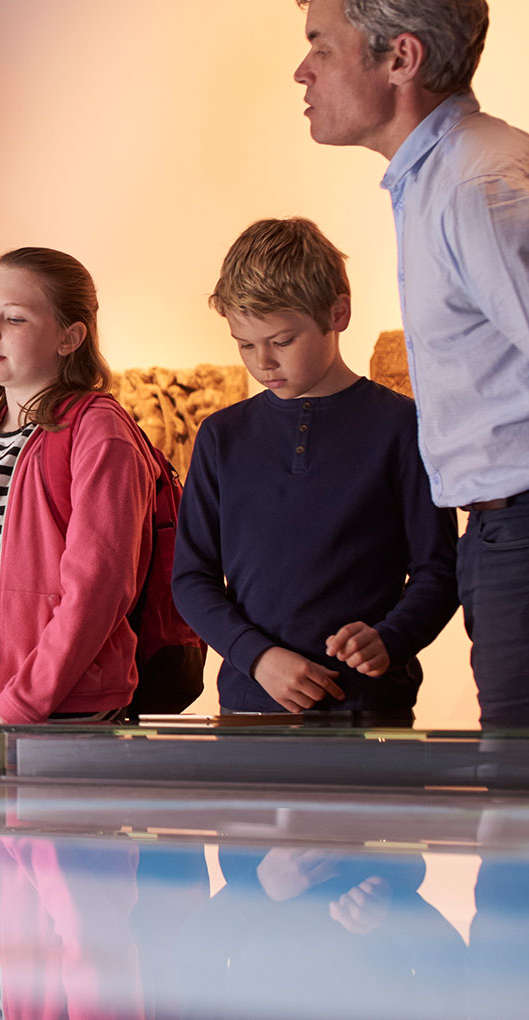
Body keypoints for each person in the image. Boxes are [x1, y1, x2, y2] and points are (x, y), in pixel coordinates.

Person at [294, 0, 529, 726]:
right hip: (515, 536)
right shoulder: (443, 178)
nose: (302, 70)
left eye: (321, 43)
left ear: (400, 58)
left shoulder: (479, 186)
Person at [172, 218, 458, 719]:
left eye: (282, 341)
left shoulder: (402, 427)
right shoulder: (220, 436)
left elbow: (440, 569)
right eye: (244, 343)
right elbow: (191, 578)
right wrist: (257, 658)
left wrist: (391, 638)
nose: (261, 362)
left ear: (338, 312)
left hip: (371, 714)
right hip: (248, 712)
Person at [0, 248, 156, 759]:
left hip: (64, 721)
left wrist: (20, 710)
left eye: (14, 317)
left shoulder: (98, 431)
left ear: (71, 337)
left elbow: (97, 590)